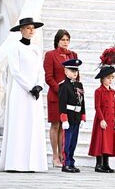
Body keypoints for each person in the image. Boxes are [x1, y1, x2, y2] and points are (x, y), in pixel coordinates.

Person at [0, 18, 48, 172]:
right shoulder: (14, 47)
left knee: (33, 125)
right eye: (28, 28)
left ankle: (33, 163)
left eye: (33, 28)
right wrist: (30, 87)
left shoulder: (36, 49)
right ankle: (15, 163)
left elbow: (41, 70)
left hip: (35, 94)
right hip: (20, 92)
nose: (31, 31)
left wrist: (39, 85)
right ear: (21, 30)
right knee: (19, 125)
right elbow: (15, 71)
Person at [43, 29, 78, 167]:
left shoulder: (73, 55)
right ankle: (55, 156)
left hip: (70, 98)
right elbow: (48, 77)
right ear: (57, 41)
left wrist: (74, 93)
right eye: (63, 39)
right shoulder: (50, 55)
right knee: (56, 124)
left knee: (66, 126)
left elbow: (76, 75)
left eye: (67, 40)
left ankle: (64, 155)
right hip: (56, 95)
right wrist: (62, 90)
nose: (65, 42)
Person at [88, 66, 115, 173]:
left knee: (109, 142)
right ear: (102, 79)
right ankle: (98, 165)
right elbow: (97, 107)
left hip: (111, 121)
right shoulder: (98, 91)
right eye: (108, 78)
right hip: (102, 120)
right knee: (100, 142)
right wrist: (101, 119)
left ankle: (106, 164)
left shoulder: (113, 92)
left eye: (112, 78)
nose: (110, 80)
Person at [59, 58, 86, 173]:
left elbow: (82, 101)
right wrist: (64, 119)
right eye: (72, 70)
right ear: (65, 71)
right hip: (69, 117)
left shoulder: (79, 84)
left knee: (74, 141)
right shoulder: (64, 86)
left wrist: (83, 117)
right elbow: (62, 103)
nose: (75, 73)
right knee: (68, 141)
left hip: (77, 117)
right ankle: (65, 163)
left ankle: (71, 162)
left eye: (76, 71)